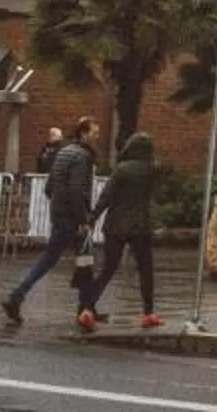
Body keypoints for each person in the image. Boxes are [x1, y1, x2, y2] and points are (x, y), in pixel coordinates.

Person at [2, 116, 97, 325]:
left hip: (60, 213)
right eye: (93, 132)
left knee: (69, 258)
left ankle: (87, 306)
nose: (95, 136)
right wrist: (82, 218)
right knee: (80, 258)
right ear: (83, 133)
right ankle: (86, 308)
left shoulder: (63, 152)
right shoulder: (82, 157)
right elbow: (76, 189)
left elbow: (48, 186)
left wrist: (57, 205)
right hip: (73, 217)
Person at [73, 129, 160, 331]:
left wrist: (92, 217)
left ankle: (86, 309)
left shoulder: (121, 169)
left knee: (107, 269)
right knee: (146, 270)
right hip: (141, 226)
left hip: (115, 225)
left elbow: (107, 196)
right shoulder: (152, 169)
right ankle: (148, 313)